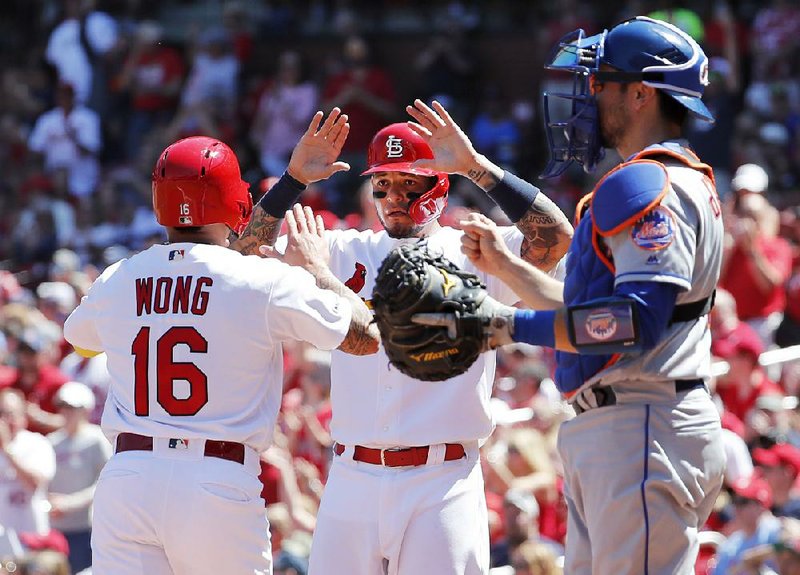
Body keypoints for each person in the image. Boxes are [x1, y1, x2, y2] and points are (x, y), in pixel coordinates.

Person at [417, 17, 727, 574]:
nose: (586, 95)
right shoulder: (663, 177)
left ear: (640, 94)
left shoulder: (648, 183)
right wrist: (508, 269)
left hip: (642, 422)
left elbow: (632, 322)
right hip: (626, 423)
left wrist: (505, 326)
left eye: (600, 81)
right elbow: (592, 311)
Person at [233, 105, 572, 574]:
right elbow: (243, 255)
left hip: (443, 477)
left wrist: (476, 165)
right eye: (385, 185)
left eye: (409, 184)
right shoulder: (342, 248)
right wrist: (291, 179)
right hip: (352, 473)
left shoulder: (473, 247)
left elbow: (554, 238)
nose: (394, 197)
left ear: (438, 183)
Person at [61, 128, 379, 574]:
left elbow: (79, 339)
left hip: (128, 478)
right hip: (215, 479)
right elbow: (365, 337)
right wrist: (320, 272)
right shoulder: (259, 280)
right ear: (234, 199)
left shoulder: (121, 275)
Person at [46, 381, 111, 573]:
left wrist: (71, 503)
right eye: (63, 407)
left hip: (86, 528)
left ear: (86, 410)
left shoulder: (97, 439)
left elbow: (105, 482)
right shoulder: (53, 441)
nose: (67, 413)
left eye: (72, 408)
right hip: (56, 528)